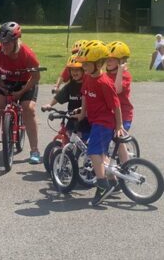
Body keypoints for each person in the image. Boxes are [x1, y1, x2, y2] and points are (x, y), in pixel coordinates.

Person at [0, 21, 42, 164]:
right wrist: (2, 88)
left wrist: (21, 92)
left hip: (25, 83)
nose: (3, 47)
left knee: (28, 109)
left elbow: (36, 77)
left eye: (7, 43)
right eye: (1, 43)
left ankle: (34, 150)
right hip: (4, 82)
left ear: (16, 42)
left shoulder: (27, 54)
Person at [74, 40, 123, 206]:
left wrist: (119, 126)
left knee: (93, 152)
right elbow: (85, 96)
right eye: (84, 64)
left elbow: (116, 106)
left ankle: (102, 184)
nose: (84, 68)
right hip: (95, 121)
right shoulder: (88, 78)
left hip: (105, 123)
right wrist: (82, 113)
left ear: (99, 63)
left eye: (87, 65)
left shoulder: (105, 83)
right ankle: (113, 181)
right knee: (101, 155)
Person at [42, 54, 90, 138]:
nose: (74, 73)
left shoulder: (88, 84)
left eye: (77, 70)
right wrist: (50, 105)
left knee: (84, 143)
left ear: (83, 71)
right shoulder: (70, 85)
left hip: (85, 120)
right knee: (69, 138)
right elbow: (59, 96)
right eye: (72, 70)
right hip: (72, 118)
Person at [106, 41, 133, 165]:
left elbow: (117, 89)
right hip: (110, 115)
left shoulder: (125, 75)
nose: (108, 61)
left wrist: (120, 71)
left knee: (118, 140)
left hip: (124, 116)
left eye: (112, 59)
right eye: (107, 59)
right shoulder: (105, 75)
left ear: (121, 61)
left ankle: (127, 166)